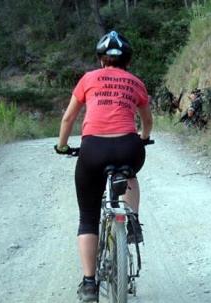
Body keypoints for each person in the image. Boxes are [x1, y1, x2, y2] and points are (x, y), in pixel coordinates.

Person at [54, 31, 153, 302]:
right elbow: (147, 119)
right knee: (129, 173)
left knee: (88, 216)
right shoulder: (135, 82)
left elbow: (68, 118)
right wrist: (143, 139)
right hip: (128, 146)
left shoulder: (88, 79)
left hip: (93, 149)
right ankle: (131, 219)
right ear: (128, 62)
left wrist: (62, 146)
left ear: (101, 61)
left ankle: (89, 284)